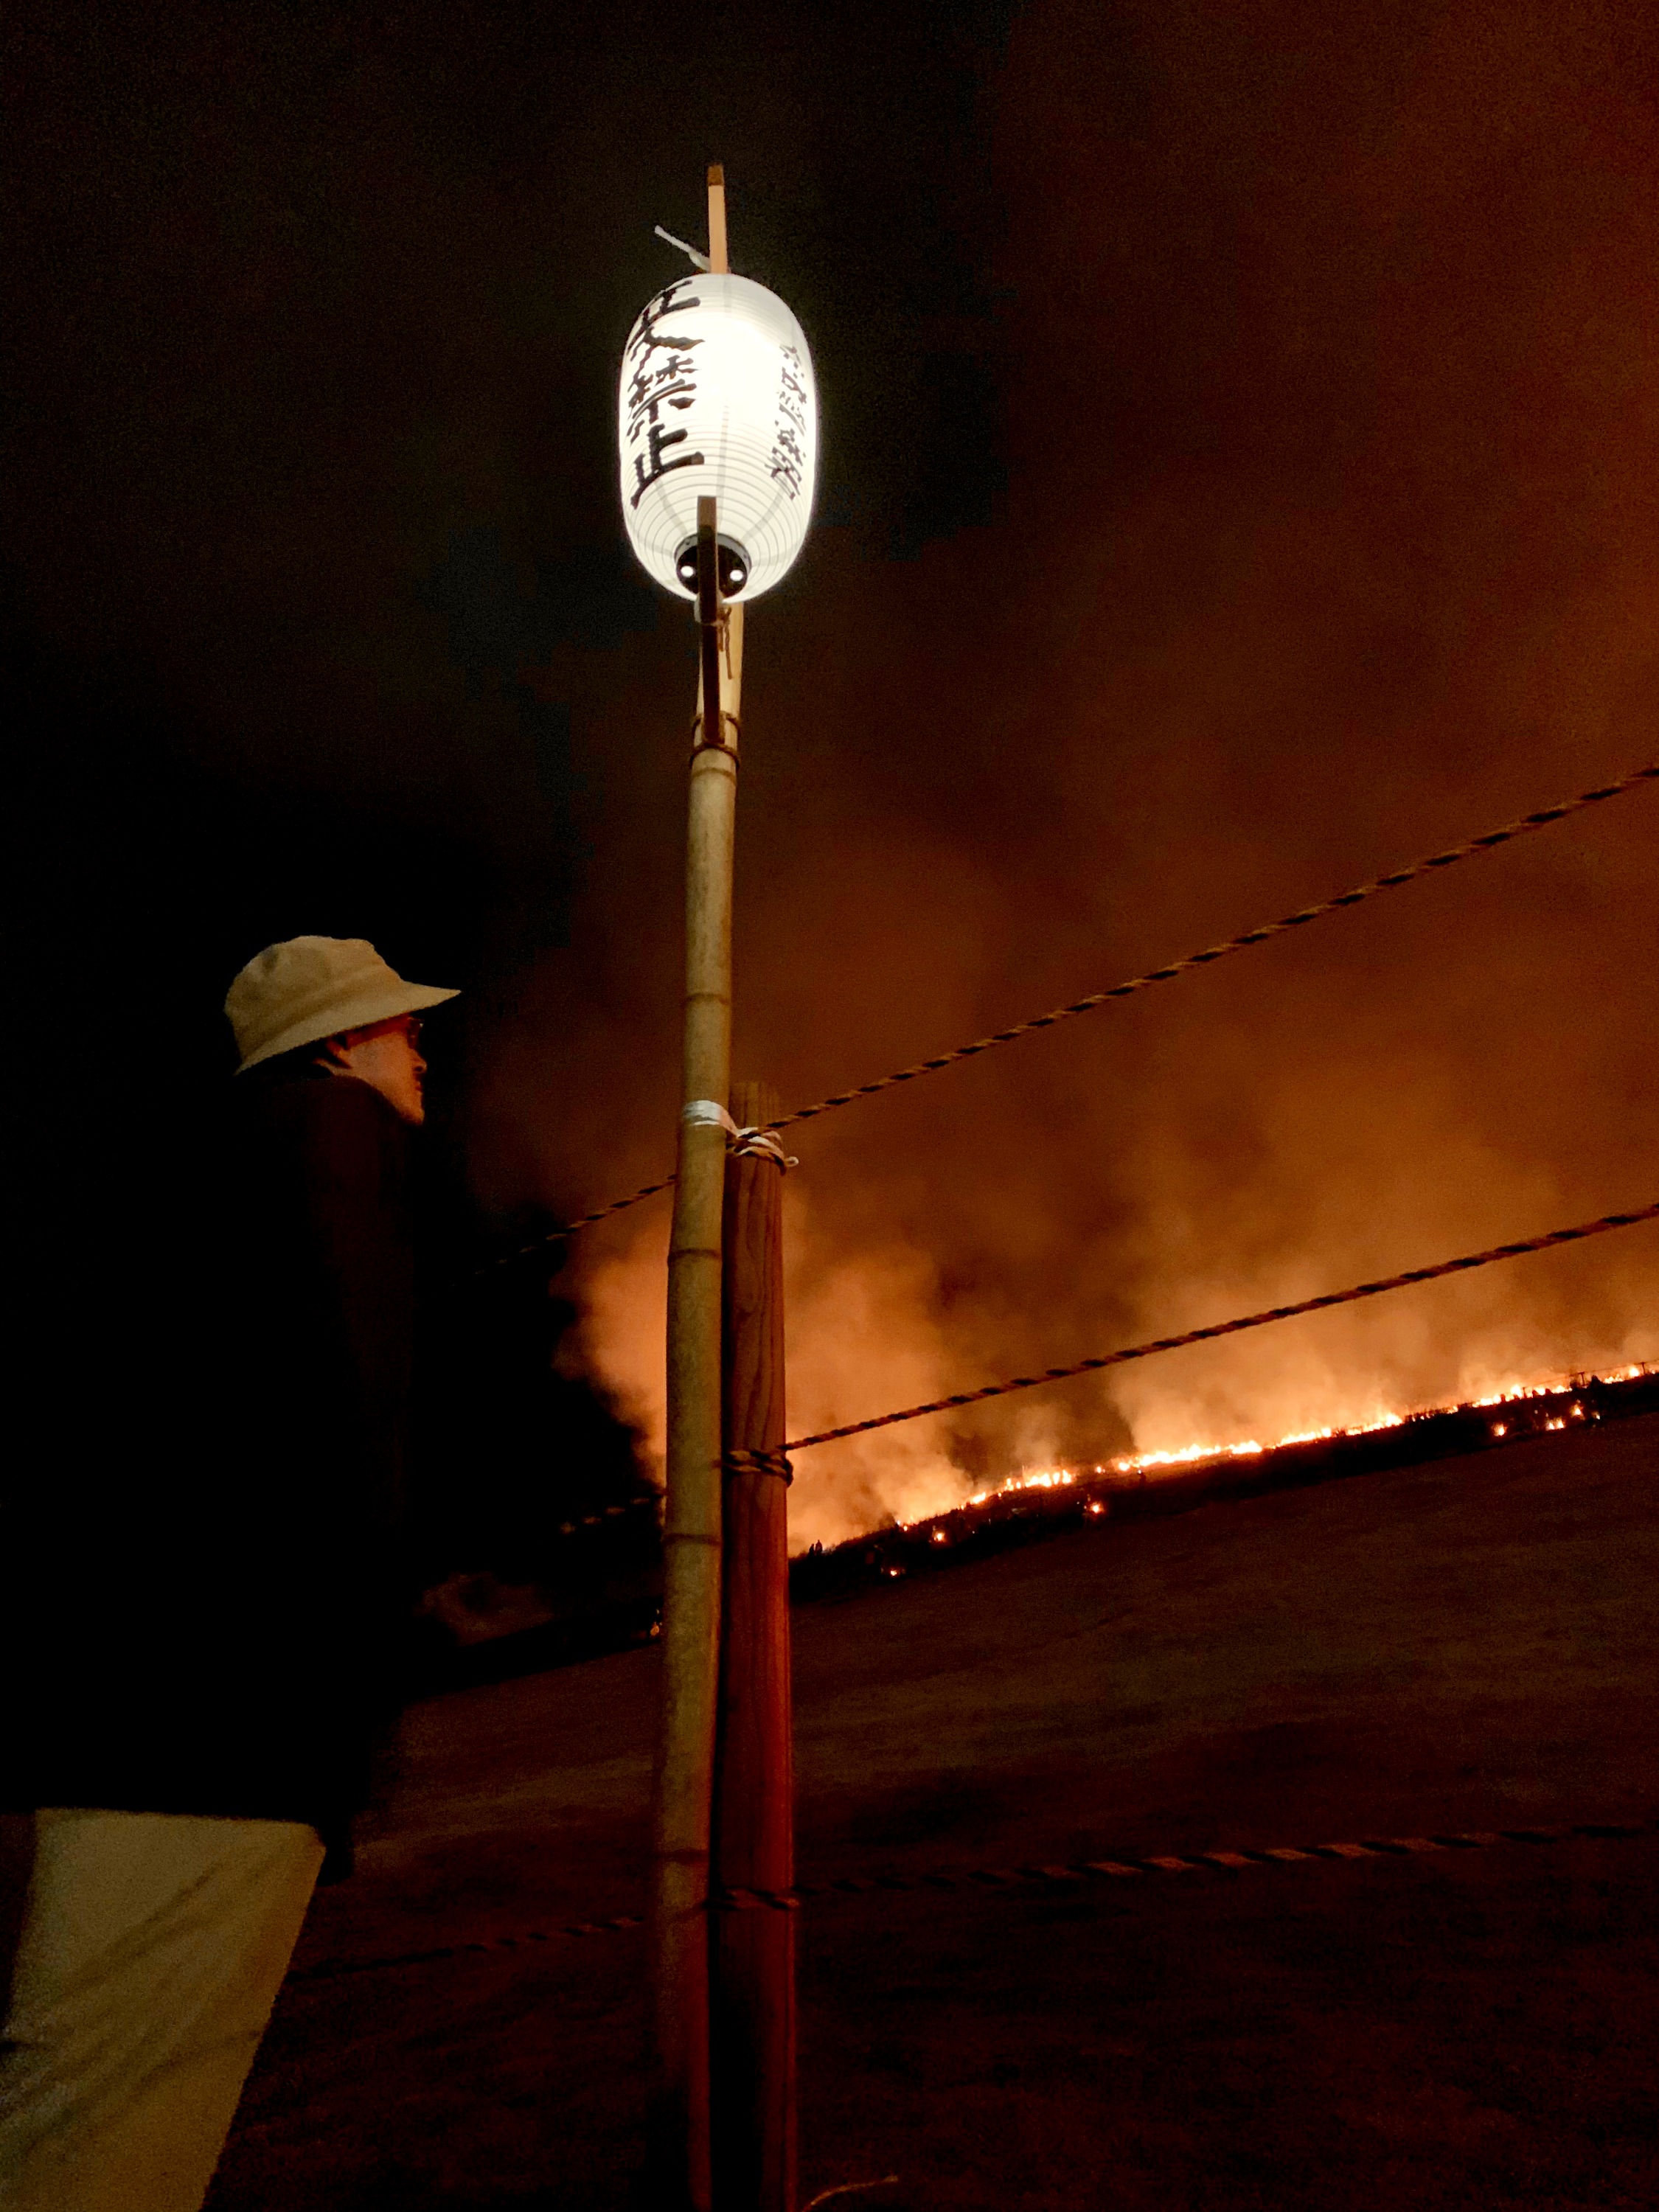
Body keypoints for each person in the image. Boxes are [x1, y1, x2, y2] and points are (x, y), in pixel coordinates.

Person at [0, 936, 457, 2212]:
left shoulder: (176, 1183)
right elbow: (349, 1414)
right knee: (104, 2132)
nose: (421, 1046)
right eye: (397, 1027)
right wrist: (364, 1682)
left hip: (119, 1719)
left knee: (74, 2090)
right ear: (334, 1046)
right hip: (214, 1738)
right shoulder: (332, 1149)